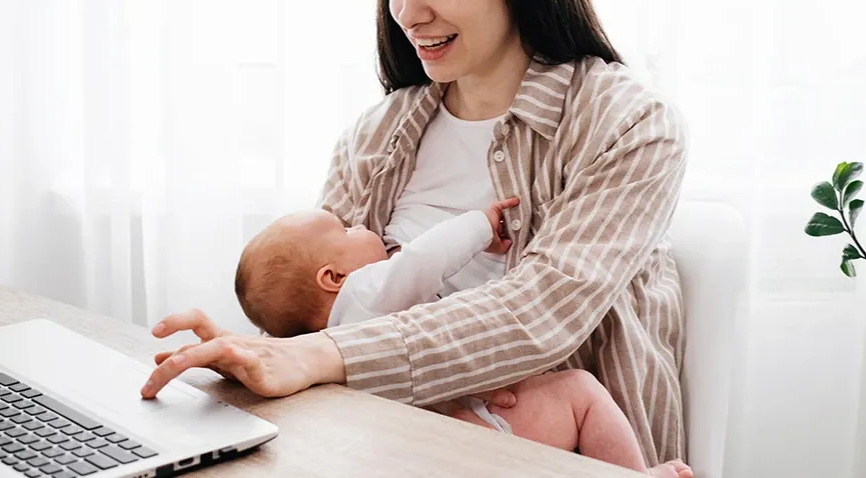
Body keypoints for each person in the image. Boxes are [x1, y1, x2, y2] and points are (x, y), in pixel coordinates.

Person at [140, 0, 690, 473]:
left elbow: (540, 314)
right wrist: (250, 354)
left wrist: (319, 357)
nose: (408, 9)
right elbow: (324, 307)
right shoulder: (379, 135)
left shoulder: (628, 125)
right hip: (392, 439)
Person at [233, 198, 691, 477]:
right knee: (581, 392)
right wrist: (478, 226)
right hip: (474, 427)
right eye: (346, 230)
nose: (359, 224)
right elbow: (423, 259)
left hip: (429, 446)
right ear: (334, 277)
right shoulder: (365, 293)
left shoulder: (322, 346)